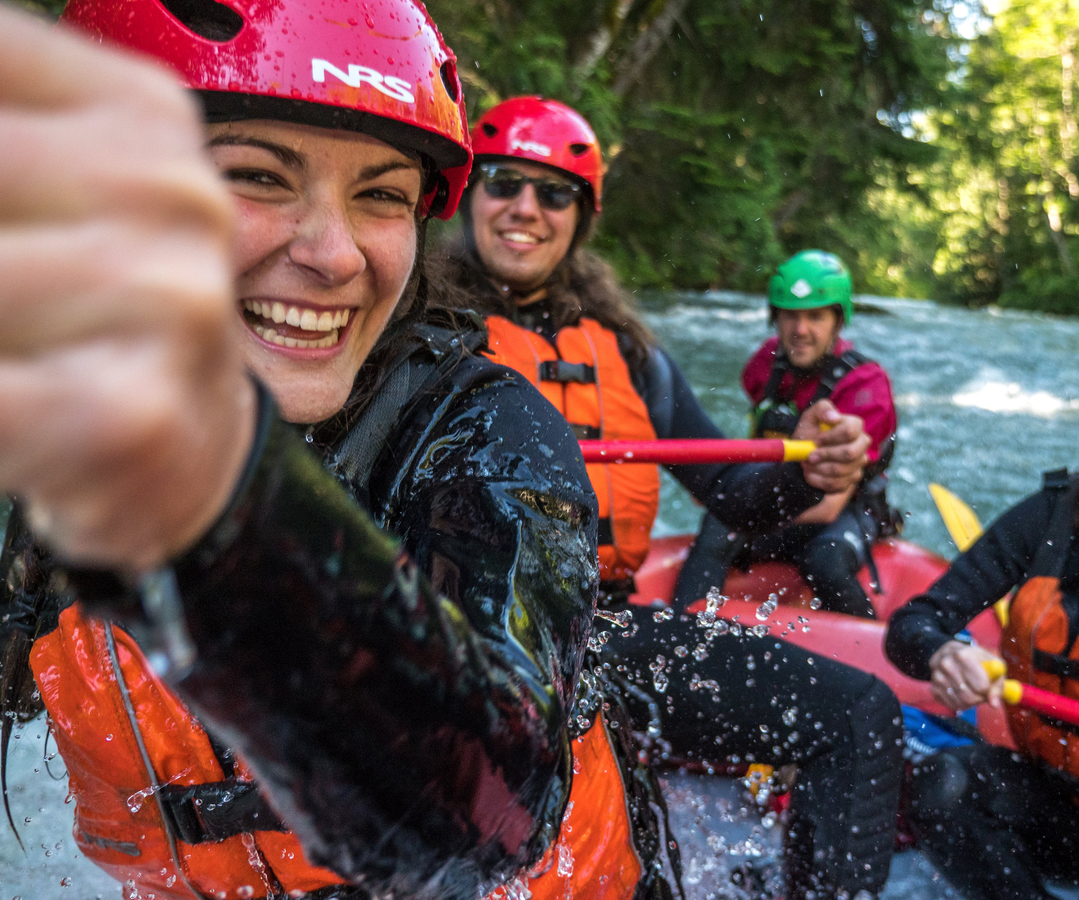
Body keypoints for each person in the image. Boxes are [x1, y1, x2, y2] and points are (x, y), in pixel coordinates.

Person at [0, 4, 686, 899]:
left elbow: (486, 815)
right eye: (257, 176)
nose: (334, 254)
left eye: (382, 195)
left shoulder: (484, 431)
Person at [438, 95, 905, 900]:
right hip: (471, 646)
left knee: (859, 712)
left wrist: (807, 474)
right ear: (470, 196)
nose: (525, 209)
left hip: (606, 633)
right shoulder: (416, 330)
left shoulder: (626, 350)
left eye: (554, 193)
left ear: (580, 218)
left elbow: (732, 494)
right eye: (505, 184)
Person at [885, 343, 1079, 899]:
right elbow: (916, 622)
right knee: (947, 785)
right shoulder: (1054, 517)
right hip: (1063, 806)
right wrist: (944, 653)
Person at [674, 250, 898, 618]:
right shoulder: (765, 366)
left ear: (838, 321)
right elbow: (758, 453)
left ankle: (878, 657)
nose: (801, 330)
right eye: (790, 315)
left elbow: (828, 507)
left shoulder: (866, 388)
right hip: (781, 502)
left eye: (815, 316)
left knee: (824, 561)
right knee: (717, 527)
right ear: (775, 318)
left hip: (845, 512)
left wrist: (739, 506)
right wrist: (729, 490)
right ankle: (680, 631)